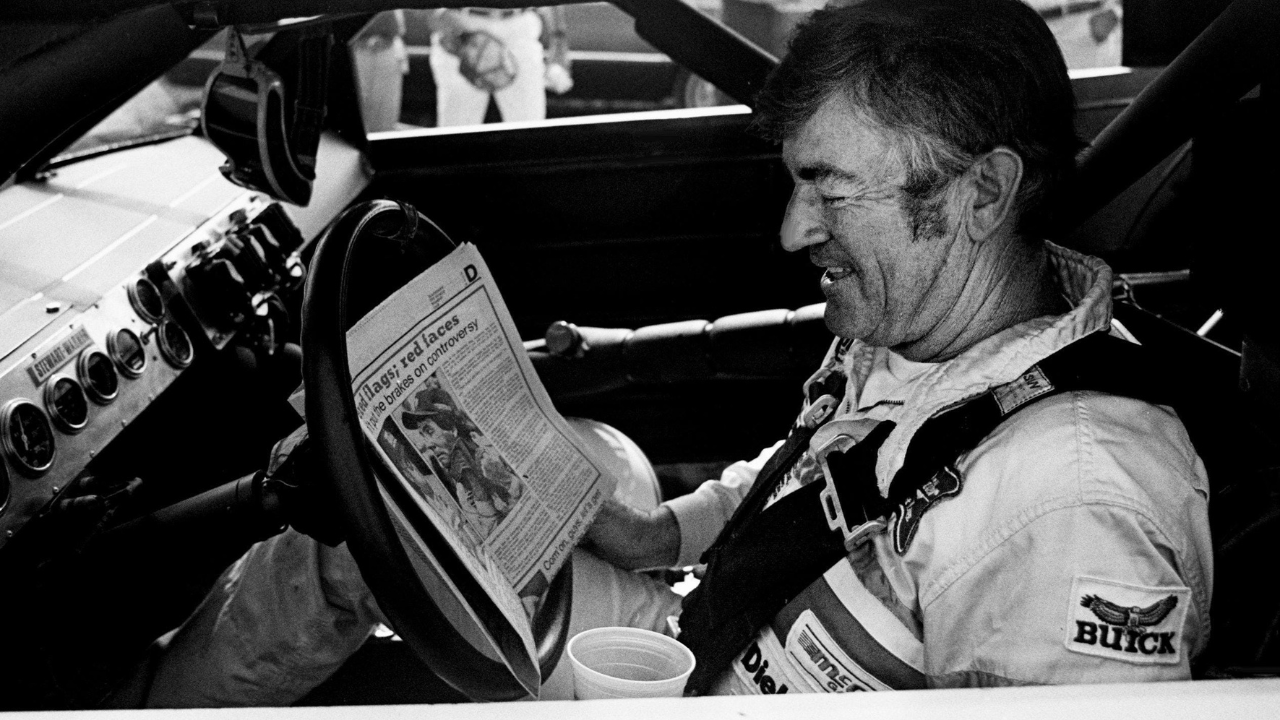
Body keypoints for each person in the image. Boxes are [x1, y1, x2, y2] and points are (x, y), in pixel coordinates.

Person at [140, 0, 1210, 705]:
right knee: (400, 510)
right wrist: (650, 532)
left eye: (829, 190)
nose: (793, 231)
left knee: (363, 546)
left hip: (702, 690)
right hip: (704, 632)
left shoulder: (1073, 504)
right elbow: (815, 486)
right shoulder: (941, 331)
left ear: (981, 194)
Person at [426, 7, 572, 126]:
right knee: (455, 136)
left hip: (518, 23)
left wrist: (559, 44)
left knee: (529, 134)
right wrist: (435, 14)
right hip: (463, 24)